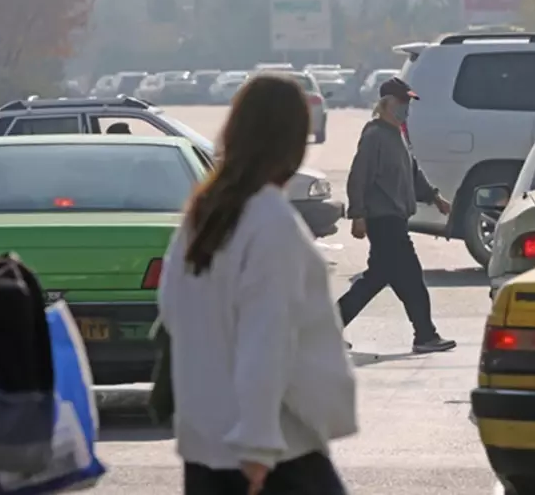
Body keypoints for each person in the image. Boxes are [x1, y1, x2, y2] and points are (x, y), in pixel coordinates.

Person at [159, 75, 356, 495]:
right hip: (272, 449)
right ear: (291, 142)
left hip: (206, 438)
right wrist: (257, 443)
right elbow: (268, 336)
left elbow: (173, 311)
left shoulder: (201, 215)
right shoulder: (271, 222)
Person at [337, 77, 457, 354]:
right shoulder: (374, 136)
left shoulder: (398, 134)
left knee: (377, 279)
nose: (407, 108)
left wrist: (435, 197)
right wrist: (358, 215)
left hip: (396, 218)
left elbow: (412, 173)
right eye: (403, 102)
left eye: (408, 103)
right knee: (410, 279)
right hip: (383, 220)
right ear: (387, 103)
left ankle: (326, 331)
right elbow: (359, 177)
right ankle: (426, 335)